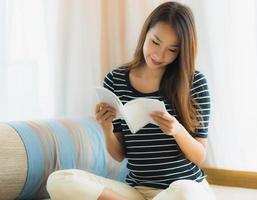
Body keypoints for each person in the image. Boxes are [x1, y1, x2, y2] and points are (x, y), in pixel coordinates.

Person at [46, 1, 215, 200]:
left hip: (183, 188)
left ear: (182, 51)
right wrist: (106, 127)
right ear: (145, 34)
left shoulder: (195, 83)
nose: (159, 55)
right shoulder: (116, 80)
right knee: (60, 180)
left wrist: (177, 130)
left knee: (186, 193)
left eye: (172, 50)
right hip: (137, 190)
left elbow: (199, 156)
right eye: (155, 42)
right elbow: (119, 155)